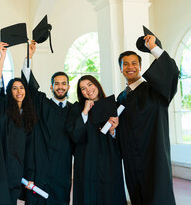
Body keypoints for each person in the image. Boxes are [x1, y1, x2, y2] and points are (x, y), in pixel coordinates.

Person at [117, 34, 179, 205]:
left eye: (134, 63)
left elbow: (172, 73)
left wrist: (153, 48)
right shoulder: (121, 99)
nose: (130, 67)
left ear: (140, 66)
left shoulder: (155, 91)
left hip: (154, 159)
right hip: (132, 163)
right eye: (126, 64)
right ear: (120, 69)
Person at [22, 41, 80, 205]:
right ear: (51, 86)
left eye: (63, 84)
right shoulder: (42, 103)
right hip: (40, 166)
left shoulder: (74, 110)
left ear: (68, 86)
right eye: (57, 84)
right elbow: (27, 86)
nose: (60, 87)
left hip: (62, 168)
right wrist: (29, 57)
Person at [0, 42, 37, 205]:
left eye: (21, 88)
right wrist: (2, 57)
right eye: (14, 88)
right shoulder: (2, 110)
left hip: (16, 171)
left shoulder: (28, 116)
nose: (19, 91)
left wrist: (29, 57)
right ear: (9, 92)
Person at [72, 75, 127, 205]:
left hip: (108, 161)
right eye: (83, 88)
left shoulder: (113, 106)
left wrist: (113, 131)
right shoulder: (77, 109)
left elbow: (122, 138)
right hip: (87, 161)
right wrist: (85, 111)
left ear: (97, 84)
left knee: (109, 195)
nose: (88, 90)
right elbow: (75, 135)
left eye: (90, 84)